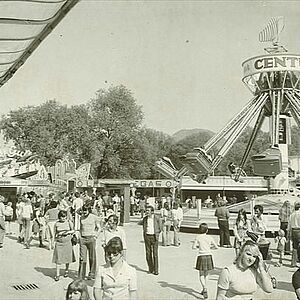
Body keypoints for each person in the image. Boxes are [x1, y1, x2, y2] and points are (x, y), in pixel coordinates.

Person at [192, 223, 218, 299]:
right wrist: (210, 248)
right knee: (206, 274)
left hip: (201, 256)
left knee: (201, 274)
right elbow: (216, 247)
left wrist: (198, 247)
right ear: (207, 230)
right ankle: (205, 287)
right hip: (208, 255)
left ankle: (204, 288)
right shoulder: (209, 237)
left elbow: (193, 247)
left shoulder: (198, 237)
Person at [78, 204, 101, 280]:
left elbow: (99, 228)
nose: (84, 212)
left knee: (92, 257)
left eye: (85, 211)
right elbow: (80, 228)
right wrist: (80, 237)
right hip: (83, 239)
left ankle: (92, 273)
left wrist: (95, 236)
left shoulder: (94, 217)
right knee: (82, 258)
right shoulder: (81, 218)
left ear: (89, 210)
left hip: (91, 238)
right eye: (83, 210)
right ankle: (81, 275)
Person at [52, 210, 76, 281]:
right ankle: (57, 274)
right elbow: (55, 234)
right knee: (58, 259)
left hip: (68, 242)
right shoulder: (56, 224)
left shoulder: (69, 222)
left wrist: (66, 232)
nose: (63, 218)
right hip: (59, 243)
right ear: (59, 217)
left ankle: (66, 271)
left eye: (64, 217)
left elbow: (73, 230)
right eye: (62, 217)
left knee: (67, 258)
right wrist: (54, 241)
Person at [139, 205, 162, 275]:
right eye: (146, 211)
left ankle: (156, 270)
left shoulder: (157, 218)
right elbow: (143, 226)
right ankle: (150, 268)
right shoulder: (145, 219)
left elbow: (160, 228)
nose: (146, 212)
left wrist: (157, 233)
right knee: (148, 253)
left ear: (152, 212)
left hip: (154, 237)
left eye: (148, 211)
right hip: (147, 237)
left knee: (155, 254)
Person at [288, 202, 300, 267]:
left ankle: (293, 262)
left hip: (293, 231)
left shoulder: (292, 214)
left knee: (294, 247)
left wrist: (288, 233)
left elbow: (289, 225)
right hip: (299, 230)